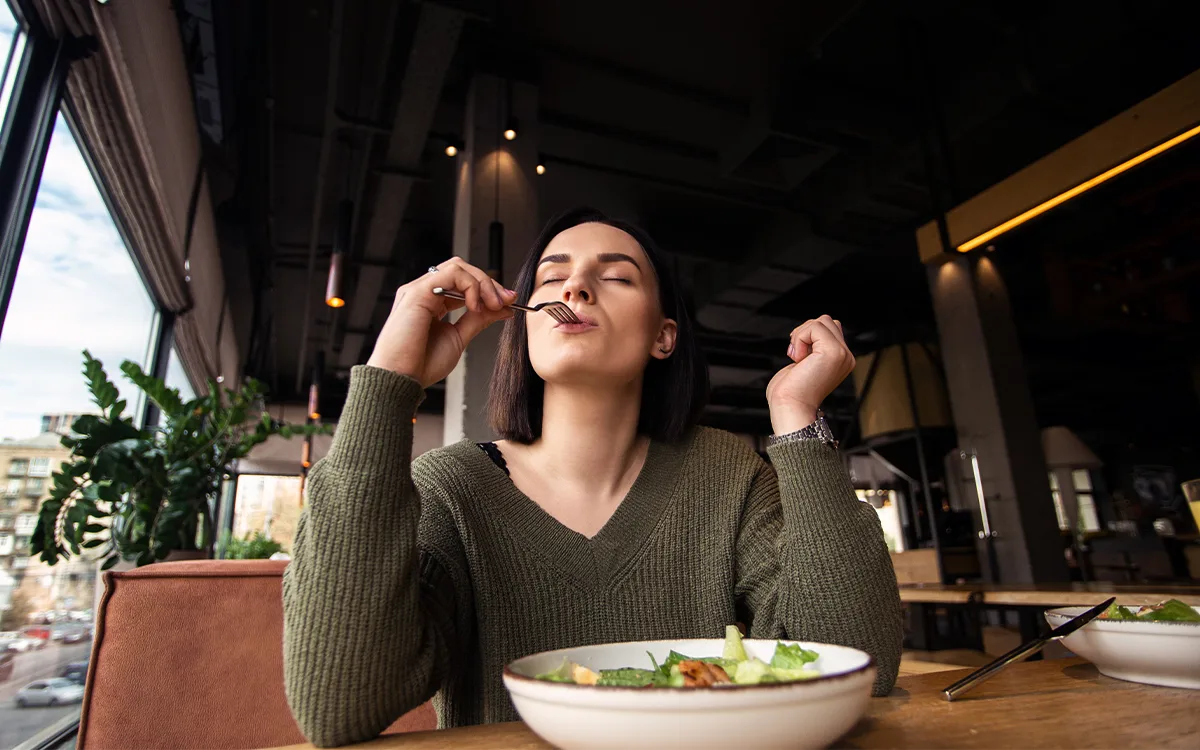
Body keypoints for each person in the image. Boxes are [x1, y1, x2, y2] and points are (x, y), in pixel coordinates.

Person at [283, 208, 902, 747]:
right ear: (523, 327)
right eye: (552, 277)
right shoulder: (453, 489)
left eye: (615, 276)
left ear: (664, 337)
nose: (575, 285)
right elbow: (337, 706)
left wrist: (798, 422)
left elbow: (859, 666)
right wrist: (391, 378)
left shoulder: (728, 475)